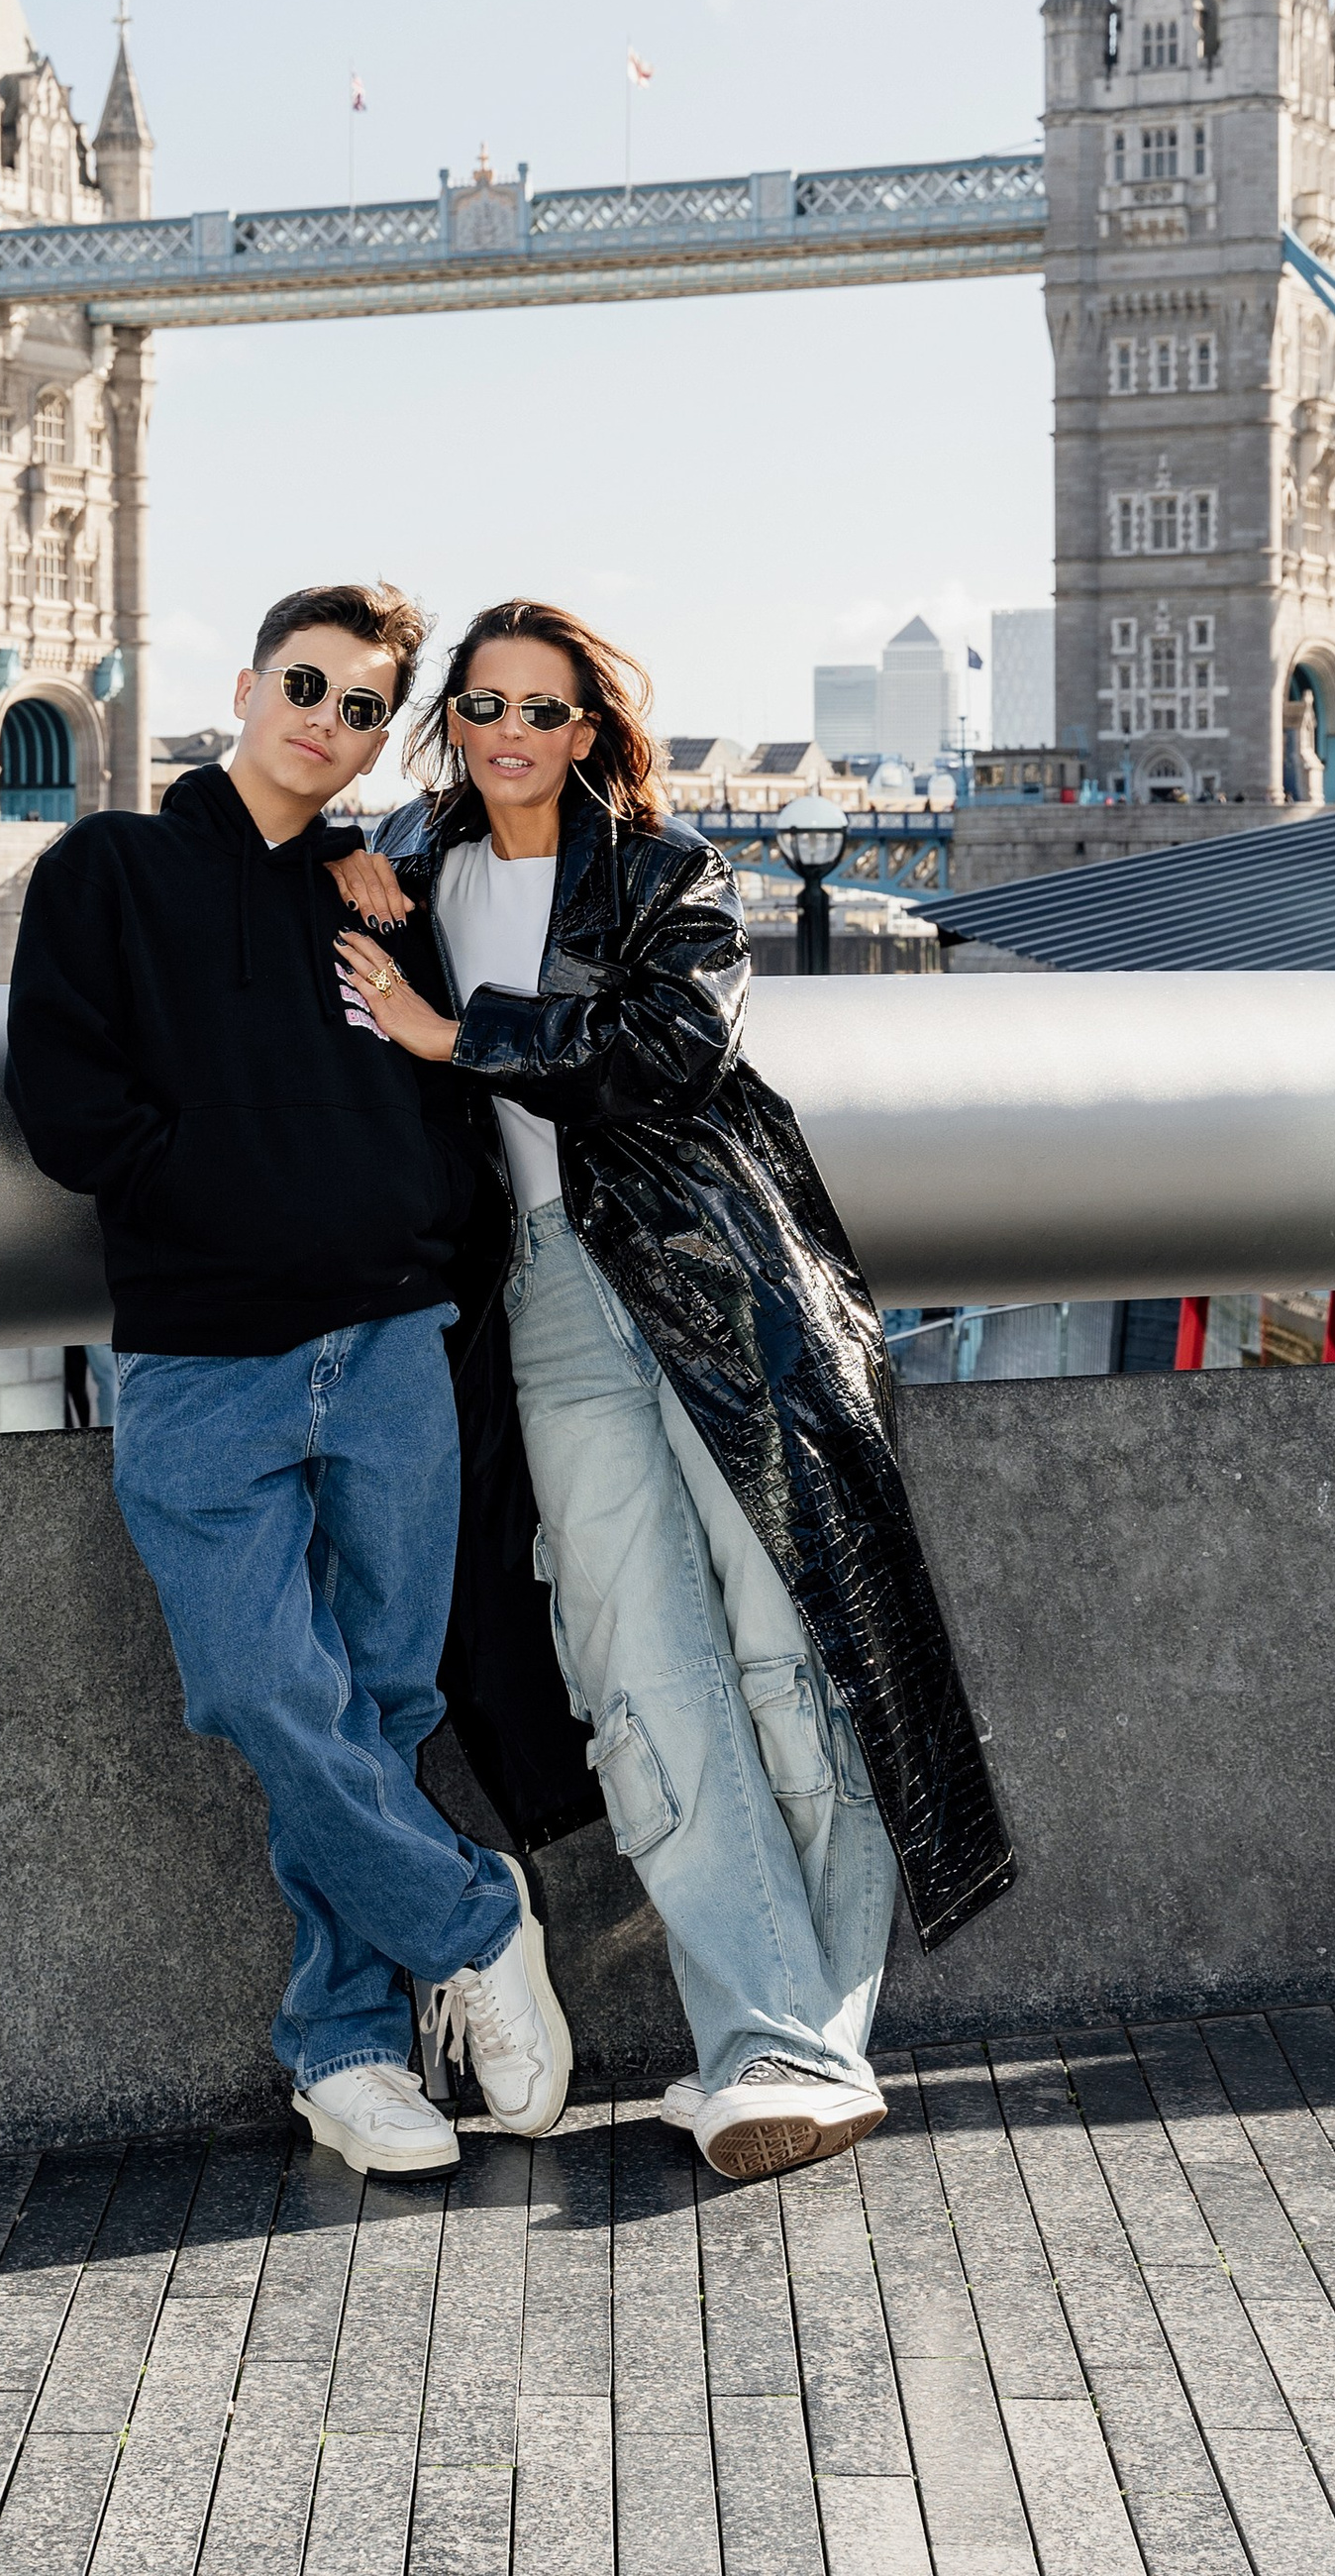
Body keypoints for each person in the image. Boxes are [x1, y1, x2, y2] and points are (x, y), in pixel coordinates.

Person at [332, 598, 1014, 2183]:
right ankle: (782, 2041)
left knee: (787, 1649)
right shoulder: (416, 870)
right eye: (484, 708)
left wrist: (457, 1033)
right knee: (641, 1670)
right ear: (453, 725)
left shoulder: (667, 871)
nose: (512, 736)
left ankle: (788, 2049)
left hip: (706, 1277)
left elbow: (675, 1046)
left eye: (545, 712)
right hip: (544, 1296)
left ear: (594, 733)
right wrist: (337, 873)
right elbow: (255, 846)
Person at [5, 579, 572, 2180]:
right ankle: (469, 1918)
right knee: (260, 1687)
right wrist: (226, 1193)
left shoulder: (376, 891)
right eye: (305, 687)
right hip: (204, 1362)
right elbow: (69, 1109)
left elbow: (455, 1094)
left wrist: (415, 1234)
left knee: (377, 1710)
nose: (327, 722)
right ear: (246, 685)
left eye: (363, 708)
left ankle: (348, 2053)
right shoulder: (109, 868)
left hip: (390, 1346)